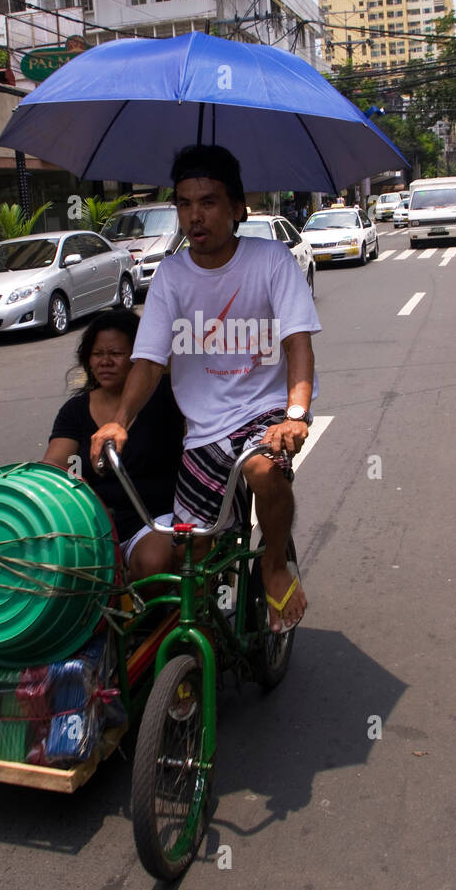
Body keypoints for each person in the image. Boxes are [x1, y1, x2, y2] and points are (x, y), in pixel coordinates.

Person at [90, 145, 321, 634]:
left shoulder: (271, 259)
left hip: (264, 413)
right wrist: (119, 420)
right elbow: (149, 362)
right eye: (184, 203)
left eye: (209, 202)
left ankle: (275, 564)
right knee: (162, 561)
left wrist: (296, 414)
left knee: (263, 469)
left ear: (239, 209)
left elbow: (298, 344)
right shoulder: (171, 274)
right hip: (202, 437)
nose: (195, 216)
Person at [42, 309, 184, 582]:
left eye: (116, 354)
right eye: (98, 354)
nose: (105, 362)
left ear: (138, 359)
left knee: (152, 565)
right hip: (93, 526)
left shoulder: (168, 395)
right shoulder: (75, 410)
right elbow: (54, 465)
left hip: (155, 520)